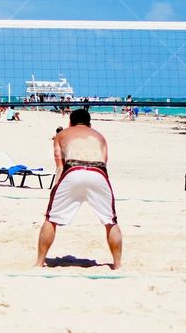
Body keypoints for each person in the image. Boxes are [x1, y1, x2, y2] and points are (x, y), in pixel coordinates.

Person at [35, 108, 122, 270]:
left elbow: (59, 167)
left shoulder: (62, 134)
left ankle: (39, 262)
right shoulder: (100, 137)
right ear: (90, 124)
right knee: (111, 221)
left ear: (70, 123)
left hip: (73, 170)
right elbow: (104, 164)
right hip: (98, 173)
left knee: (51, 218)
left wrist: (55, 187)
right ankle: (117, 265)